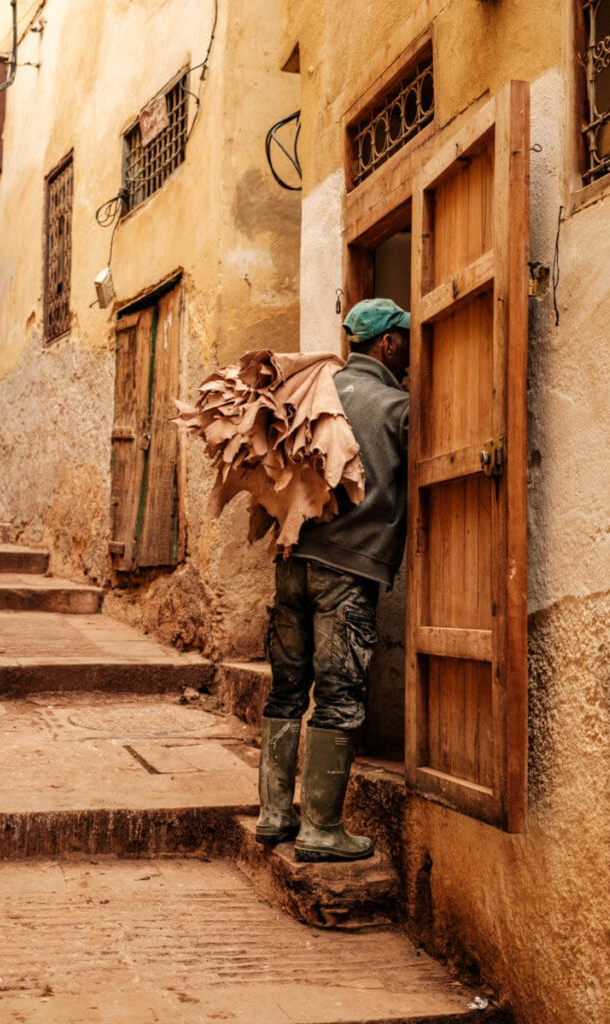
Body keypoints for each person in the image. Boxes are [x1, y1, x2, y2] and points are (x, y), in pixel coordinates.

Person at [255, 298, 410, 862]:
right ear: (388, 345)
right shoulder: (397, 407)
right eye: (407, 343)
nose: (411, 354)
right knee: (339, 697)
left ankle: (275, 816)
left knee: (286, 688)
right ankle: (321, 829)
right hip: (345, 575)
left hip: (291, 565)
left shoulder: (313, 392)